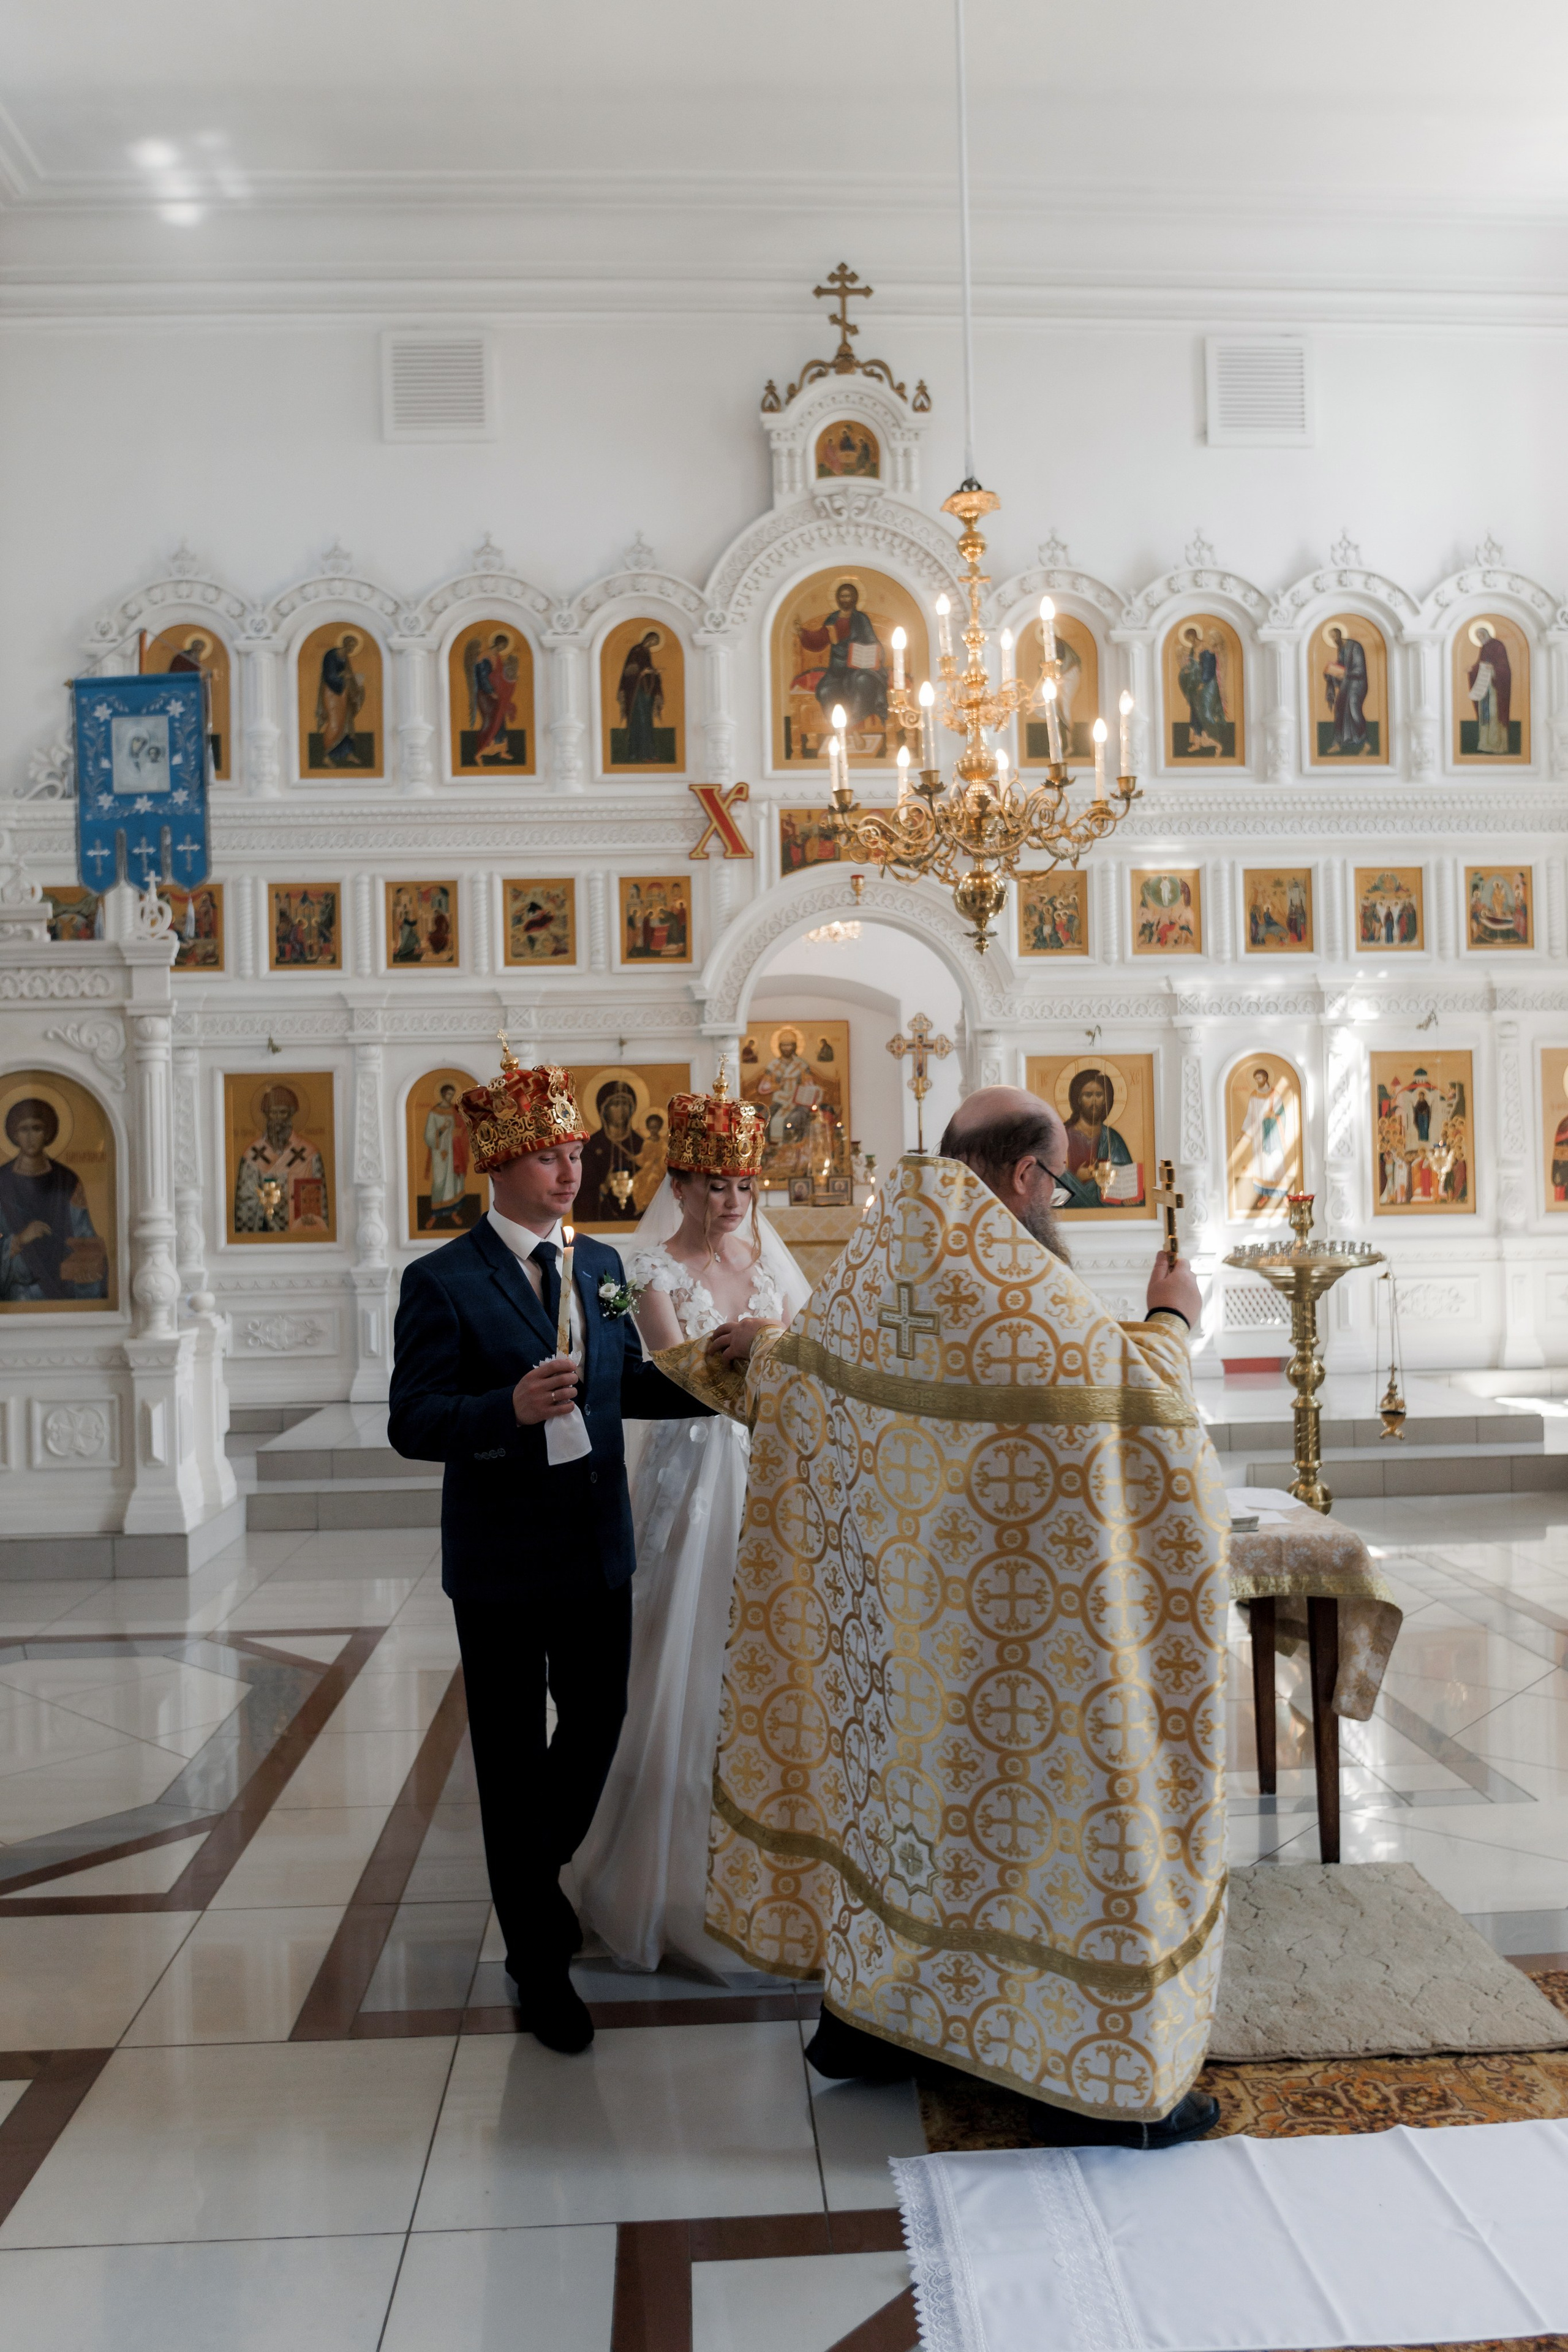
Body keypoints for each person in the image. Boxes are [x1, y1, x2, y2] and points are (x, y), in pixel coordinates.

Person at [690, 1086, 1227, 2150]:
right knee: (1047, 1842)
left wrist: (744, 1353)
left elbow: (790, 1379)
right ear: (1025, 1177)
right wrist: (1173, 1315)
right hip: (1037, 1655)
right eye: (1061, 1178)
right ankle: (1099, 2073)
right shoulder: (1025, 1292)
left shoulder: (875, 1272)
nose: (1060, 1199)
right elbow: (1145, 1403)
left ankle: (879, 2022)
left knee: (905, 1822)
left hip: (900, 1639)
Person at [387, 1045, 709, 2057]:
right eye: (547, 1157)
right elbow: (414, 1420)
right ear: (498, 1165)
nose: (571, 1172)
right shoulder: (440, 1281)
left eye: (574, 1153)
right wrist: (504, 1409)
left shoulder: (600, 1264)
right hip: (500, 1560)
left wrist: (721, 1377)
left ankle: (530, 1878)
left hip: (595, 1544)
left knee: (600, 1721)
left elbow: (628, 1384)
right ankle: (538, 1960)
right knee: (513, 1756)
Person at [573, 1072, 810, 1975]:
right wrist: (771, 1356)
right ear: (677, 1185)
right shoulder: (648, 1270)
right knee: (686, 1648)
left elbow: (809, 1365)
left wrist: (777, 1351)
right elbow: (682, 1376)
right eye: (716, 1184)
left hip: (771, 1475)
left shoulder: (770, 1266)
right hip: (696, 1471)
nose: (734, 1201)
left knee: (773, 1656)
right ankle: (667, 1881)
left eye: (746, 1186)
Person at [0, 1098, 108, 1301]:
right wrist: (20, 1239)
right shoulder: (2, 1181)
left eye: (37, 1128)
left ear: (48, 1133)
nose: (31, 1137)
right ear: (14, 1134)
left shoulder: (67, 1179)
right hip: (18, 1289)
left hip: (63, 1281)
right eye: (24, 1129)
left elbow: (83, 1233)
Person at [233, 1085, 328, 1235]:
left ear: (291, 1114)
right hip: (266, 1234)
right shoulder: (252, 1155)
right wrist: (264, 1205)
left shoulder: (310, 1153)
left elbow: (319, 1202)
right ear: (266, 1115)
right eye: (273, 1113)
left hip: (300, 1233)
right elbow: (245, 1203)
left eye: (283, 1112)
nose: (278, 1119)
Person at [1057, 1066, 1139, 1207]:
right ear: (1078, 1099)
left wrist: (1129, 1197)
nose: (1094, 1101)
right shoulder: (1061, 1136)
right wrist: (1076, 1178)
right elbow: (1049, 1182)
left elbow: (1128, 1182)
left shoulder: (1113, 1139)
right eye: (1088, 1095)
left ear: (1106, 1099)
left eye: (1099, 1095)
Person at [422, 1082, 469, 1229]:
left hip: (455, 1151)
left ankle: (454, 1212)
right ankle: (435, 1215)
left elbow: (464, 1128)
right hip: (440, 1152)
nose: (451, 1097)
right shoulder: (434, 1112)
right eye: (449, 1094)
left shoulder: (456, 1110)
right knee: (440, 1181)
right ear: (443, 1094)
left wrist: (459, 1134)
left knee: (455, 1181)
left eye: (452, 1095)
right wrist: (442, 1130)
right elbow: (428, 1136)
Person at [615, 631, 666, 763]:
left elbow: (647, 670)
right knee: (640, 721)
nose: (653, 644)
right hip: (636, 693)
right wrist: (642, 672)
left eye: (655, 643)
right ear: (648, 639)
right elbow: (629, 671)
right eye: (653, 641)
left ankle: (649, 753)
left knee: (647, 722)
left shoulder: (647, 652)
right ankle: (639, 754)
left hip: (645, 691)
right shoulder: (636, 650)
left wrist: (655, 673)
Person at [1322, 625, 1368, 755]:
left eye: (1334, 636)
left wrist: (1343, 673)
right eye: (1331, 638)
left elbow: (1359, 670)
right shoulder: (1341, 649)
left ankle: (1364, 742)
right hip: (1347, 684)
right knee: (1339, 710)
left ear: (1339, 634)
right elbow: (1340, 671)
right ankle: (1340, 742)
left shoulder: (1355, 647)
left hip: (1358, 684)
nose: (1333, 639)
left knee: (1353, 709)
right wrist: (1331, 674)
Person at [1468, 624, 1512, 756]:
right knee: (1485, 715)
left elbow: (1505, 669)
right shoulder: (1484, 648)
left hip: (1496, 690)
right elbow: (1479, 665)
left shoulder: (1498, 646)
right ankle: (1485, 745)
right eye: (1478, 636)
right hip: (1484, 689)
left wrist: (1492, 669)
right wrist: (1472, 671)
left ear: (1487, 634)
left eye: (1481, 635)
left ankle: (1498, 746)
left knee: (1494, 715)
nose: (1480, 638)